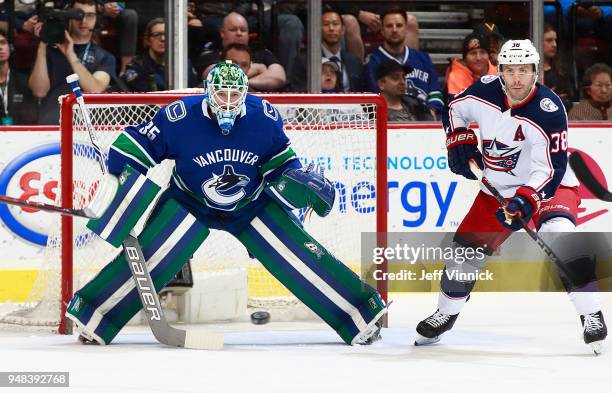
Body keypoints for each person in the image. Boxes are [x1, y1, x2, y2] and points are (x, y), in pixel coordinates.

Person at [65, 61, 388, 347]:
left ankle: (359, 316)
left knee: (299, 253)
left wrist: (298, 178)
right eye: (222, 94)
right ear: (207, 92)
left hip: (250, 203)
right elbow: (135, 146)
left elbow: (280, 164)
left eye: (236, 95)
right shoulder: (180, 116)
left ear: (246, 93)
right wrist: (119, 173)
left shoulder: (263, 117)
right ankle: (95, 317)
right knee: (154, 254)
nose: (229, 102)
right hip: (190, 200)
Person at [415, 40, 607, 354]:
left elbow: (551, 168)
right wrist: (460, 140)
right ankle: (445, 315)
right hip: (497, 188)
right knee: (463, 255)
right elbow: (453, 109)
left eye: (524, 70)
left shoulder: (549, 109)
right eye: (510, 70)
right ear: (500, 71)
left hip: (549, 187)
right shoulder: (484, 90)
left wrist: (526, 199)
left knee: (560, 235)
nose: (517, 78)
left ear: (535, 72)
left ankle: (591, 314)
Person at [28, 0, 116, 124]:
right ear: (68, 17)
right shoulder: (48, 51)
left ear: (97, 20)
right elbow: (39, 91)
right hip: (51, 125)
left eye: (90, 15)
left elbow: (95, 89)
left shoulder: (105, 57)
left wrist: (70, 55)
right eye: (77, 15)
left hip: (87, 128)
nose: (83, 21)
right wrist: (43, 42)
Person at [365, 6, 443, 118]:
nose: (394, 30)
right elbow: (374, 97)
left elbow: (435, 91)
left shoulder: (423, 58)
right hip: (392, 119)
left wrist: (432, 110)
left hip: (427, 118)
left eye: (399, 25)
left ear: (406, 29)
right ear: (382, 30)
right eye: (389, 26)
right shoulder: (373, 61)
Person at [198, 12, 286, 92]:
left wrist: (244, 83)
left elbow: (279, 77)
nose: (239, 33)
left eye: (243, 30)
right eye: (233, 30)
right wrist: (258, 68)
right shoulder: (211, 53)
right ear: (222, 33)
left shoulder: (262, 53)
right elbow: (214, 75)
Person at [121, 18, 198, 92]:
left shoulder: (184, 64)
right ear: (148, 40)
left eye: (167, 34)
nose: (163, 38)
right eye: (157, 34)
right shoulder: (137, 67)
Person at [0, 28, 38, 124]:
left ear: (10, 47)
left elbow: (32, 115)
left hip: (22, 134)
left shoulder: (24, 80)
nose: (0, 47)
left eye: (3, 43)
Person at [446, 32, 497, 102]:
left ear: (488, 55)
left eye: (482, 52)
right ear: (465, 58)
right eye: (473, 53)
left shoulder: (498, 74)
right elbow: (457, 108)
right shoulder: (455, 76)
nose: (478, 58)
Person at [542, 24, 575, 110]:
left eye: (555, 40)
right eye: (549, 40)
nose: (554, 45)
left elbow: (568, 101)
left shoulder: (562, 70)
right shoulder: (527, 72)